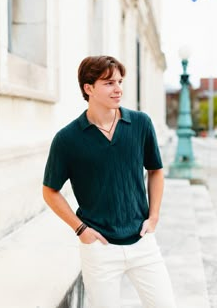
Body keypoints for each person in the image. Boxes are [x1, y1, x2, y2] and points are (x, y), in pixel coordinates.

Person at [43, 55, 177, 308]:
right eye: (108, 83)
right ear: (88, 88)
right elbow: (50, 191)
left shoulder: (140, 123)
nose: (118, 89)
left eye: (119, 81)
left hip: (142, 240)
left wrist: (154, 216)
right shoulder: (67, 139)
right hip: (100, 248)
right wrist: (81, 230)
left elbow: (155, 170)